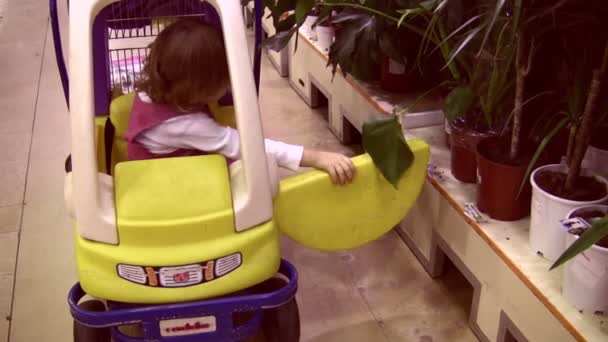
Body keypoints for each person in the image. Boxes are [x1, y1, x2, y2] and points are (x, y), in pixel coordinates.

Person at [125, 19, 355, 185]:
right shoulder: (185, 125)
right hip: (164, 184)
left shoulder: (157, 80)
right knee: (258, 173)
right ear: (195, 90)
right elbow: (247, 147)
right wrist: (316, 157)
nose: (227, 87)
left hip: (158, 164)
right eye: (222, 83)